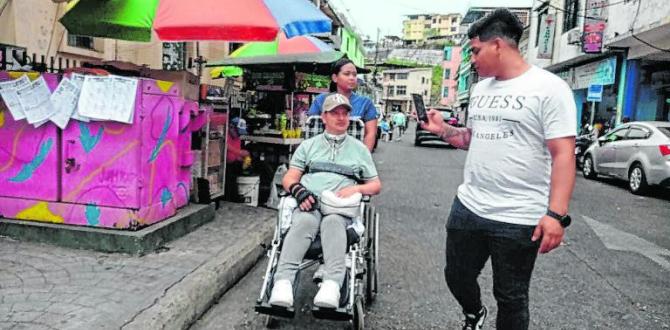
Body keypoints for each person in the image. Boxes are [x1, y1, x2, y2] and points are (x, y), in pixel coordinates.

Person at [419, 9, 576, 330]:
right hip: (469, 206)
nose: (473, 60)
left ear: (499, 46)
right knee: (456, 275)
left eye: (476, 51)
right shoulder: (480, 90)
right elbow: (471, 139)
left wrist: (556, 215)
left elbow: (563, 154)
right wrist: (443, 130)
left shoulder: (549, 88)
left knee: (511, 297)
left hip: (519, 216)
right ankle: (474, 313)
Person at [269, 93, 382, 309]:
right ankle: (282, 282)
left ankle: (332, 284)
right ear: (324, 117)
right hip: (310, 201)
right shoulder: (308, 146)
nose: (341, 118)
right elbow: (290, 176)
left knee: (332, 223)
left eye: (345, 113)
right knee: (303, 222)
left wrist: (356, 188)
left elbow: (375, 185)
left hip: (339, 208)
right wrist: (298, 190)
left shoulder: (359, 150)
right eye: (335, 113)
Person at [308, 59, 378, 151]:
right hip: (323, 155)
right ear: (335, 78)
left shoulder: (365, 103)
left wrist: (364, 158)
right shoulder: (320, 100)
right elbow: (311, 128)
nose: (352, 78)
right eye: (347, 74)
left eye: (354, 74)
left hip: (354, 157)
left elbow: (371, 133)